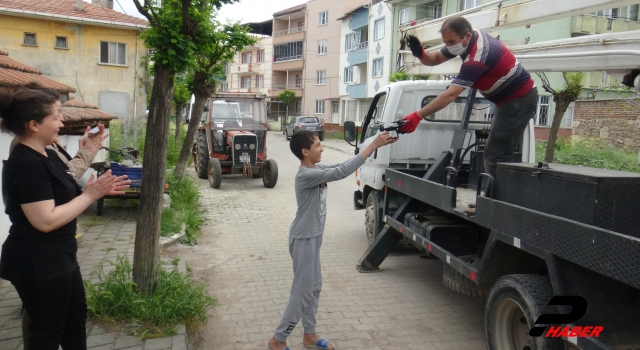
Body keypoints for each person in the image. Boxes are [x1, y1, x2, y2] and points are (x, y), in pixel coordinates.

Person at [0, 86, 130, 350]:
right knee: (47, 333)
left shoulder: (47, 153)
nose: (62, 122)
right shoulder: (26, 163)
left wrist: (88, 152)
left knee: (74, 320)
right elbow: (44, 220)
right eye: (57, 116)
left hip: (60, 257)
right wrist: (90, 195)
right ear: (34, 124)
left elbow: (65, 180)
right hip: (38, 261)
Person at [267, 130, 396, 350]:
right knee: (302, 291)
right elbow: (343, 172)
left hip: (314, 237)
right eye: (317, 145)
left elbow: (341, 165)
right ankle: (278, 340)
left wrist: (371, 142)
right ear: (305, 151)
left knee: (314, 287)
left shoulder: (316, 168)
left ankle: (309, 335)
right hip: (303, 239)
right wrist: (373, 146)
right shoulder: (305, 175)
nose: (322, 148)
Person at [400, 16, 539, 183]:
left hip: (519, 100)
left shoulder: (478, 56)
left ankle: (495, 203)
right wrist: (421, 53)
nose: (449, 46)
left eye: (451, 42)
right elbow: (435, 59)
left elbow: (451, 94)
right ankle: (491, 198)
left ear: (466, 36)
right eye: (446, 42)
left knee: (497, 154)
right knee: (495, 152)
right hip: (508, 101)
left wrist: (418, 115)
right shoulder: (466, 40)